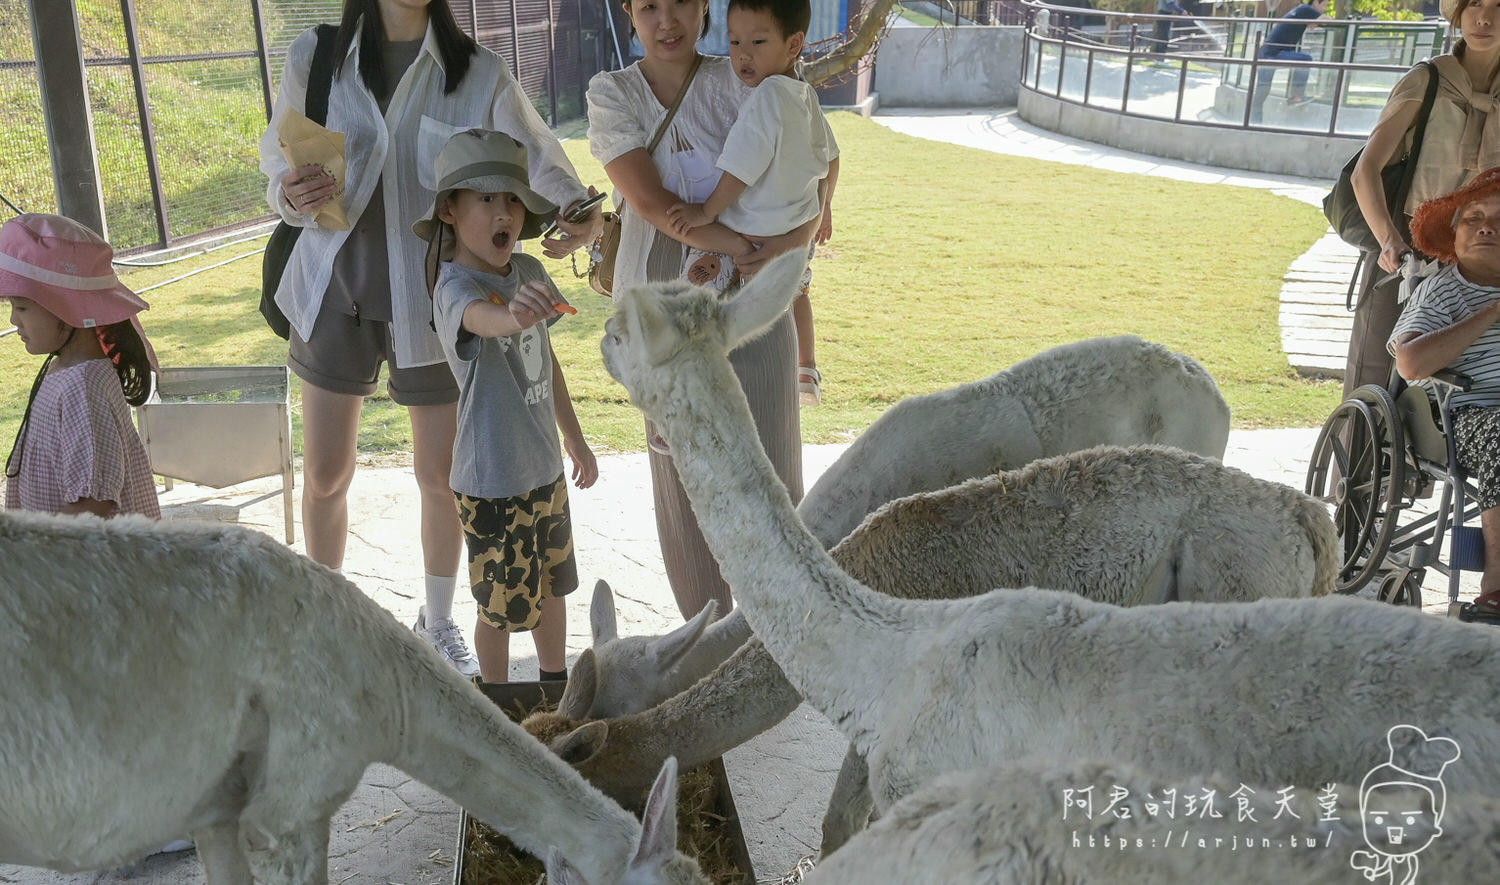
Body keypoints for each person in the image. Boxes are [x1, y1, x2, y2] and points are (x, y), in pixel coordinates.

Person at [258, 0, 602, 678]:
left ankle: (439, 620)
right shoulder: (318, 57)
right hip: (335, 289)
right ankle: (323, 623)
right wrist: (288, 192)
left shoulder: (477, 72)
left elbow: (536, 152)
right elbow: (277, 163)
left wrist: (577, 211)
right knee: (326, 475)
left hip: (437, 301)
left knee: (440, 477)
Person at [587, 0, 819, 620]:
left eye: (682, 3)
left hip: (752, 300)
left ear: (704, 8)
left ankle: (786, 634)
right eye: (649, 7)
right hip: (666, 316)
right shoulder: (613, 95)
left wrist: (793, 242)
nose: (668, 21)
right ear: (630, 14)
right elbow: (658, 207)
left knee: (772, 469)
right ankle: (705, 642)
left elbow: (813, 163)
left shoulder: (746, 75)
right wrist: (750, 248)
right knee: (686, 483)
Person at [415, 128, 597, 682]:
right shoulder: (453, 287)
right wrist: (515, 315)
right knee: (498, 610)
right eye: (486, 198)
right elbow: (481, 320)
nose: (505, 212)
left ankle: (553, 691)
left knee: (552, 588)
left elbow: (547, 363)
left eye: (513, 198)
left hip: (544, 472)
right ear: (450, 210)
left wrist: (575, 436)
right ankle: (494, 704)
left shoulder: (533, 273)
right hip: (492, 481)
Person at [664, 0, 840, 406]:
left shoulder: (766, 98)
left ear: (794, 44)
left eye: (758, 41)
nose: (743, 54)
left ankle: (685, 391)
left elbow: (741, 169)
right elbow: (832, 158)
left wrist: (705, 211)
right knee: (796, 295)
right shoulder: (803, 95)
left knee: (697, 282)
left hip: (751, 233)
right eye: (734, 41)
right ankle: (806, 371)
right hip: (795, 231)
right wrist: (824, 206)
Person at [1346, 0, 1500, 397]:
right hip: (1407, 250)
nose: (1485, 18)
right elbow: (1367, 170)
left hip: (1487, 251)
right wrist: (1388, 241)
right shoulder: (1428, 79)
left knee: (1476, 375)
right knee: (1377, 378)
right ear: (1459, 14)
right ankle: (1362, 460)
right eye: (1475, 4)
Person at [1389, 168, 1500, 619]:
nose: (1488, 226)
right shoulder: (1442, 291)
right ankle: (1496, 584)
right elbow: (1411, 363)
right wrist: (1492, 310)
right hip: (1468, 414)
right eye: (1474, 216)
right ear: (1454, 233)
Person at [2, 214, 160, 521]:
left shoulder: (84, 388)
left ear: (67, 308)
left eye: (22, 307)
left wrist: (43, 554)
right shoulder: (62, 368)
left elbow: (92, 508)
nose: (12, 320)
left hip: (84, 562)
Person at [1249, 0, 1329, 123]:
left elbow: (1312, 24)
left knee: (1262, 91)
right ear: (1316, 3)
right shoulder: (1307, 10)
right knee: (1305, 60)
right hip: (1273, 53)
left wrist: (1315, 22)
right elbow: (1325, 20)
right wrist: (1325, 19)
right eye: (1325, 5)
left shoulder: (1301, 10)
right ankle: (1296, 96)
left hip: (1267, 52)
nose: (1325, 9)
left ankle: (1253, 122)